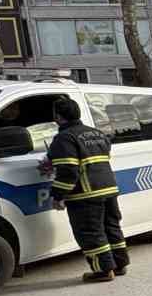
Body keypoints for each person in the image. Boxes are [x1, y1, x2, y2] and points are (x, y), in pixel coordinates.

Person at [46, 97, 127, 283]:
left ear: (57, 117)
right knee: (111, 227)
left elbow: (68, 171)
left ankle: (103, 271)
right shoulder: (96, 133)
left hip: (86, 193)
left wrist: (58, 195)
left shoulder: (64, 138)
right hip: (109, 189)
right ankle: (119, 264)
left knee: (90, 232)